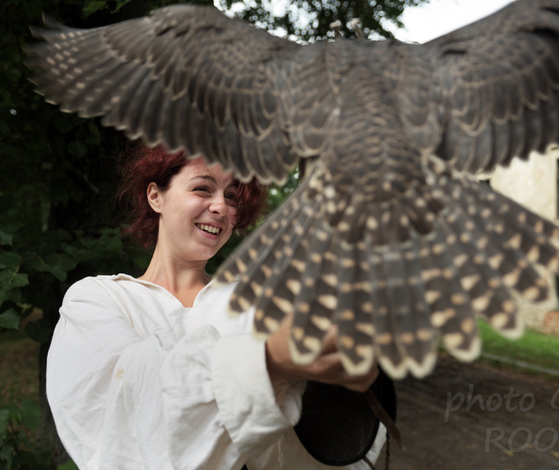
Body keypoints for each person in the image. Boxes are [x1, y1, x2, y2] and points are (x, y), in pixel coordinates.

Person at [46, 144, 385, 470]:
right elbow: (129, 404)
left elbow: (313, 443)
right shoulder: (98, 298)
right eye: (203, 189)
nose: (221, 206)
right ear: (156, 196)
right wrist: (266, 359)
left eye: (232, 195)